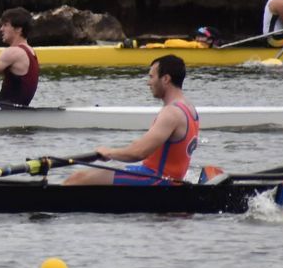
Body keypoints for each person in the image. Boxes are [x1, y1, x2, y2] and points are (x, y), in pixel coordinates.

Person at [64, 54, 199, 185]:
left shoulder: (171, 113)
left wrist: (109, 152)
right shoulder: (189, 108)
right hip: (167, 178)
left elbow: (138, 153)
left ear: (165, 79)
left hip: (156, 179)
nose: (148, 83)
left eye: (151, 77)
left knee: (77, 178)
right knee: (99, 174)